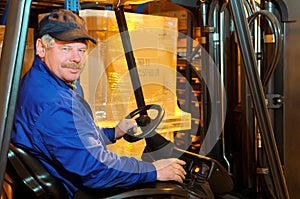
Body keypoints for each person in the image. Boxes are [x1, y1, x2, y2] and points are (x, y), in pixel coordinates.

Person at [11, 9, 186, 198]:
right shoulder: (54, 104)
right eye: (66, 49)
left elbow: (75, 140)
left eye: (81, 50)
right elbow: (95, 169)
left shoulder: (42, 82)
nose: (76, 58)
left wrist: (114, 132)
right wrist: (153, 170)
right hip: (78, 191)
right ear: (41, 48)